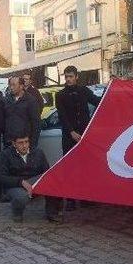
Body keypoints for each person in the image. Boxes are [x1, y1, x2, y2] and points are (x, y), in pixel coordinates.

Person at [50, 65, 101, 215]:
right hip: (69, 136)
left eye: (71, 76)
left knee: (86, 167)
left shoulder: (84, 91)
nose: (69, 79)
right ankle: (71, 199)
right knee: (70, 168)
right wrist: (71, 131)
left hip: (85, 136)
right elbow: (62, 116)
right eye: (66, 77)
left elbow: (98, 102)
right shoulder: (60, 95)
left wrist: (110, 90)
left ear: (76, 77)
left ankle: (85, 197)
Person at [0, 133, 50, 223]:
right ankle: (17, 213)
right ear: (14, 144)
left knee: (53, 183)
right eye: (20, 143)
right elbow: (0, 176)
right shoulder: (6, 154)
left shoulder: (38, 152)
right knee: (21, 197)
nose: (24, 145)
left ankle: (52, 213)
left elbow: (47, 172)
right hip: (15, 185)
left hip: (33, 181)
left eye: (26, 142)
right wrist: (21, 182)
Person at [4, 76, 40, 148]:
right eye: (10, 85)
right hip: (10, 143)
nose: (11, 87)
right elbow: (4, 120)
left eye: (14, 85)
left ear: (21, 86)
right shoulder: (6, 100)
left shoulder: (30, 100)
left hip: (24, 143)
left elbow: (36, 123)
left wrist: (32, 144)